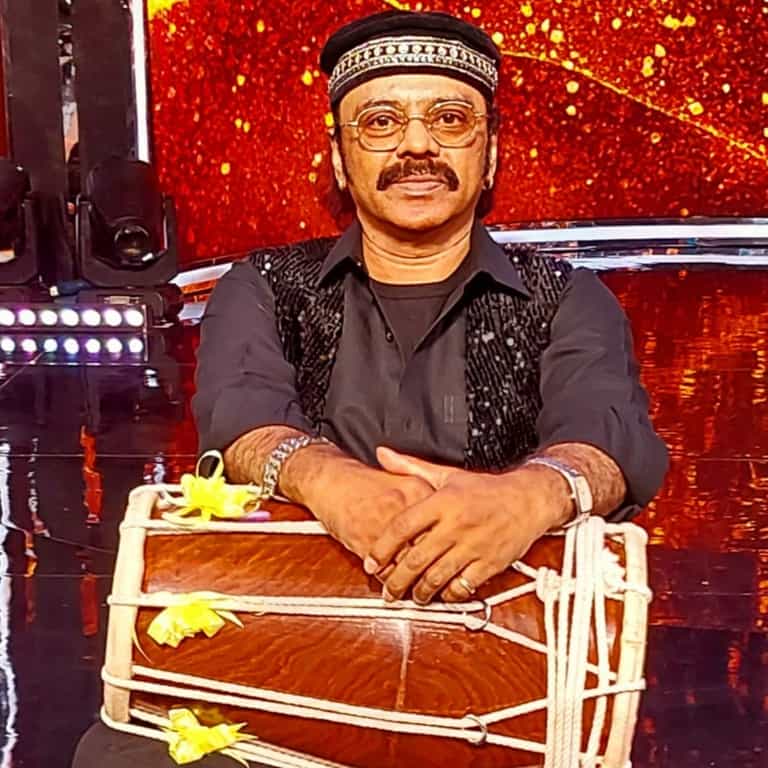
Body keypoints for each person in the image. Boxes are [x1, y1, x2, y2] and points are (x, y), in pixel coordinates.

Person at [73, 9, 667, 767]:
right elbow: (239, 413)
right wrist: (327, 481)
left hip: (496, 670)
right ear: (339, 156)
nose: (417, 145)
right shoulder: (266, 284)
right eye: (381, 122)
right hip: (286, 655)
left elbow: (609, 430)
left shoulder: (568, 296)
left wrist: (533, 495)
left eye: (450, 120)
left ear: (489, 155)